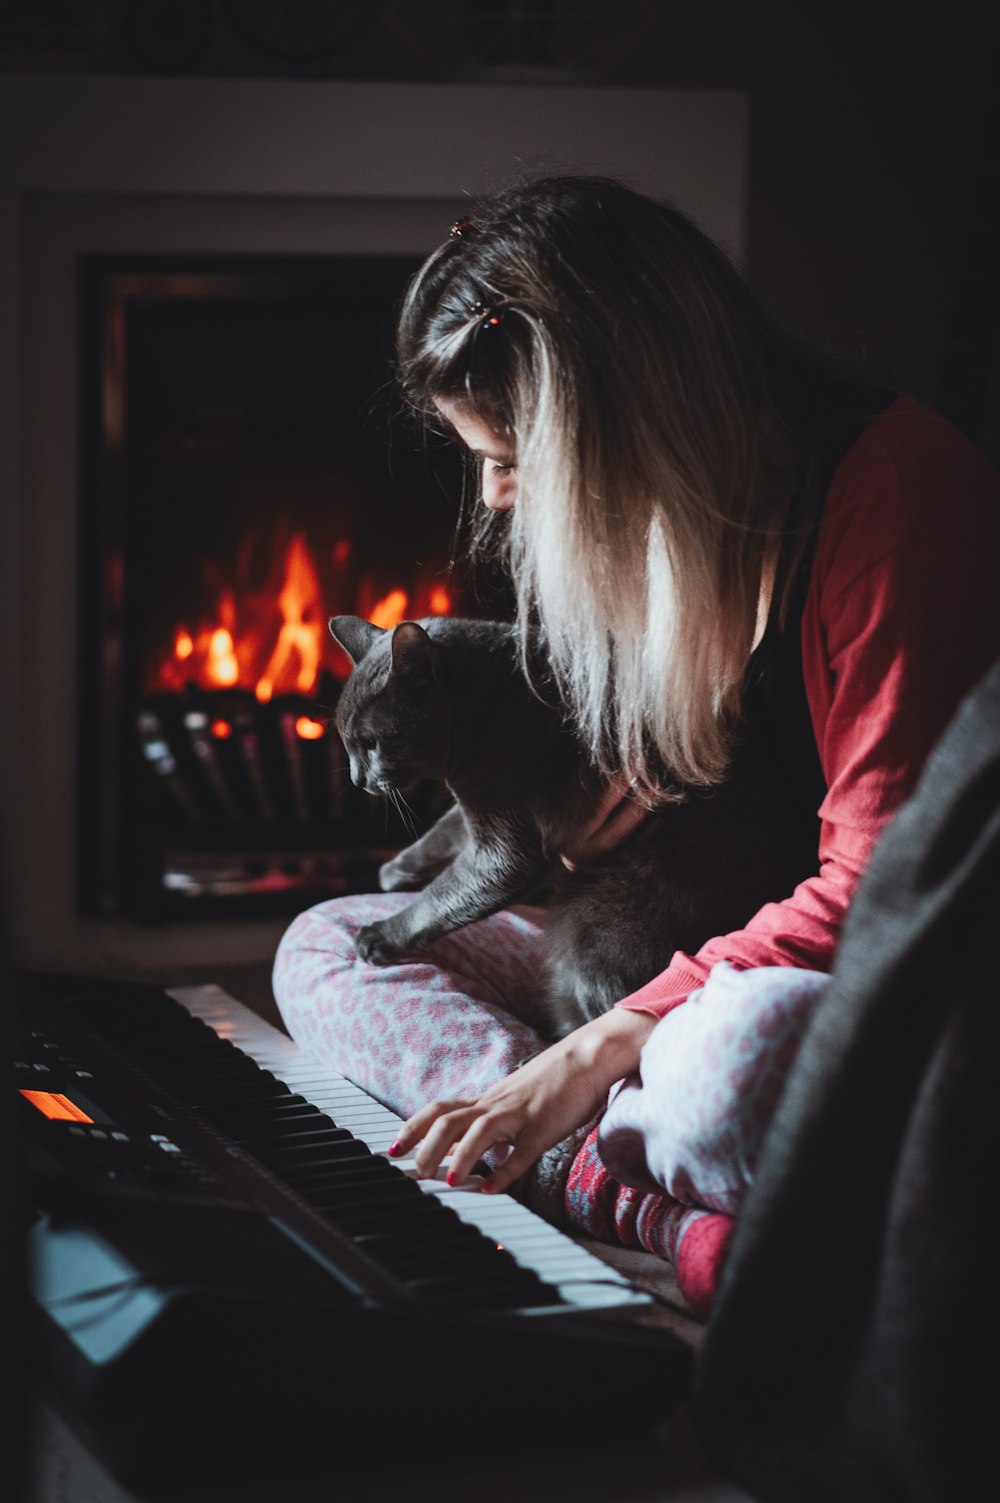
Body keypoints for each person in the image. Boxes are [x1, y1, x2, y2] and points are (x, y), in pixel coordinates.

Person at [272, 174, 1000, 1311]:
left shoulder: (895, 492)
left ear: (616, 424)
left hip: (842, 989)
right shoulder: (666, 529)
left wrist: (581, 1056)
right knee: (326, 945)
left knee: (730, 1067)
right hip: (679, 963)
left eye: (510, 457)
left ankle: (584, 1149)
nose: (498, 499)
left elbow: (877, 902)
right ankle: (623, 1191)